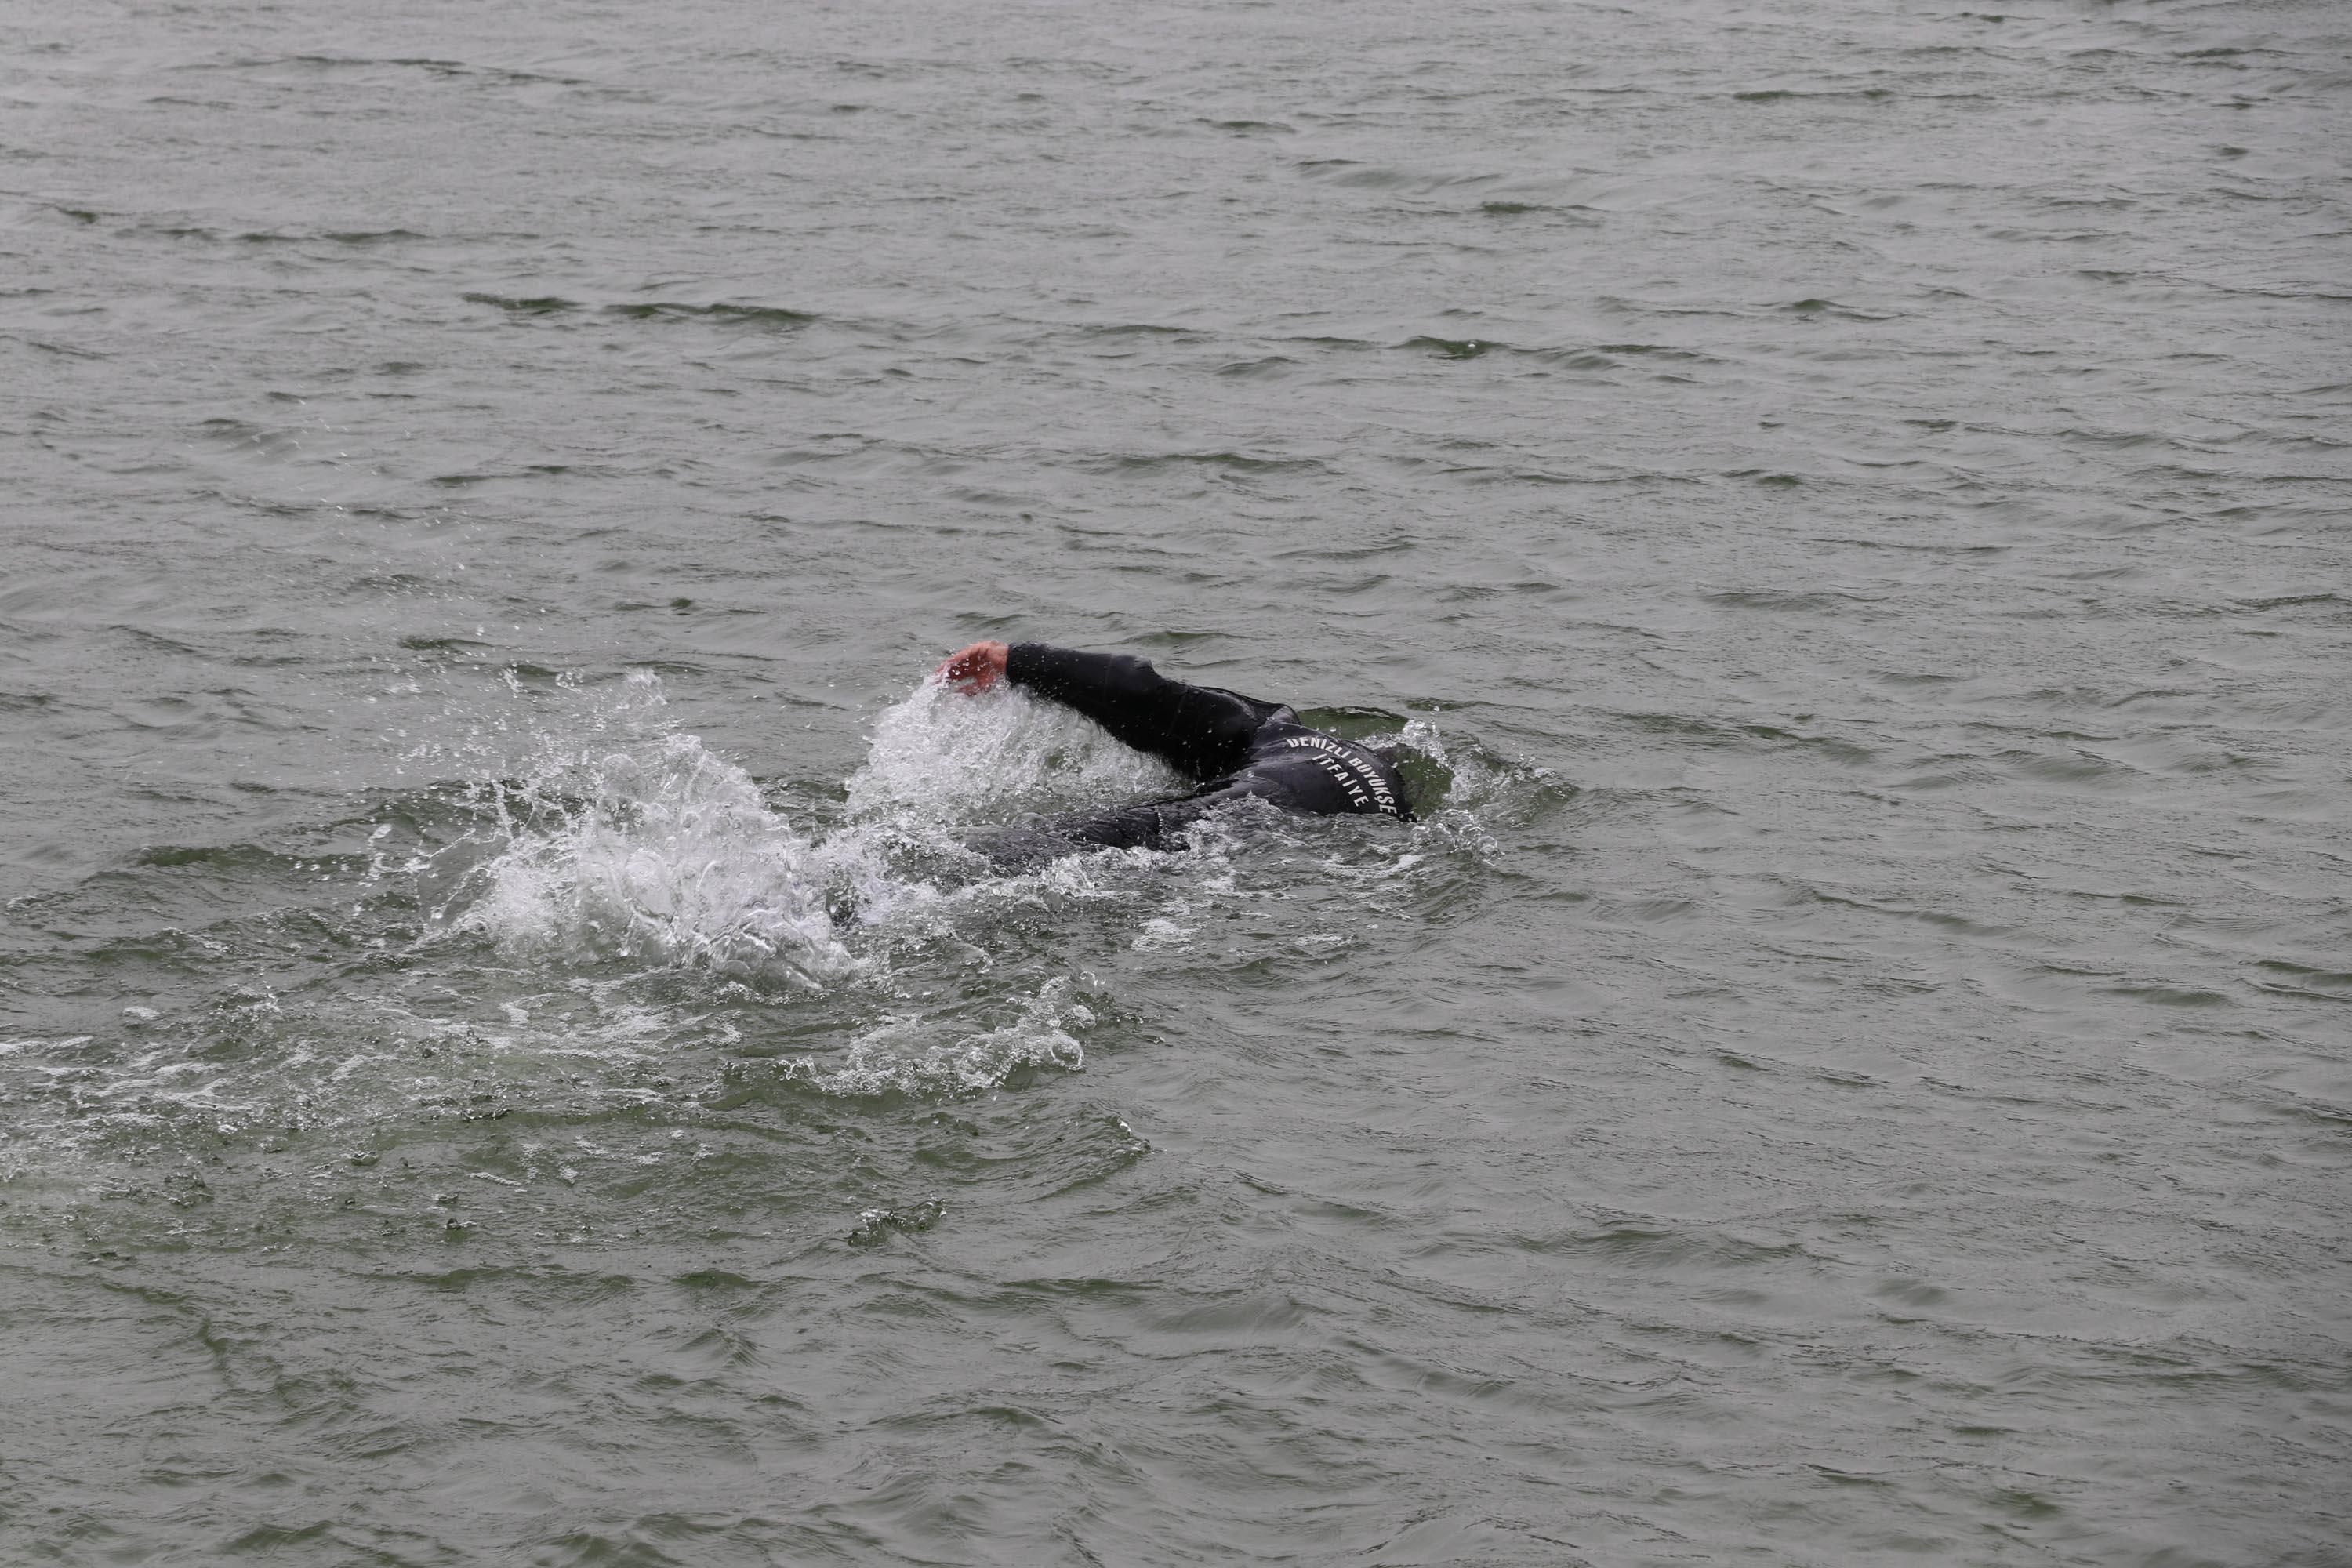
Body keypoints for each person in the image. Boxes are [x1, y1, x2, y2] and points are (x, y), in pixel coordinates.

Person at [935, 639, 1412, 853]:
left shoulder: (1260, 723)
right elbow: (1138, 703)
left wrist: (1015, 660)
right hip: (1331, 836)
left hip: (1269, 810)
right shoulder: (1282, 744)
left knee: (1088, 845)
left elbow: (1139, 692)